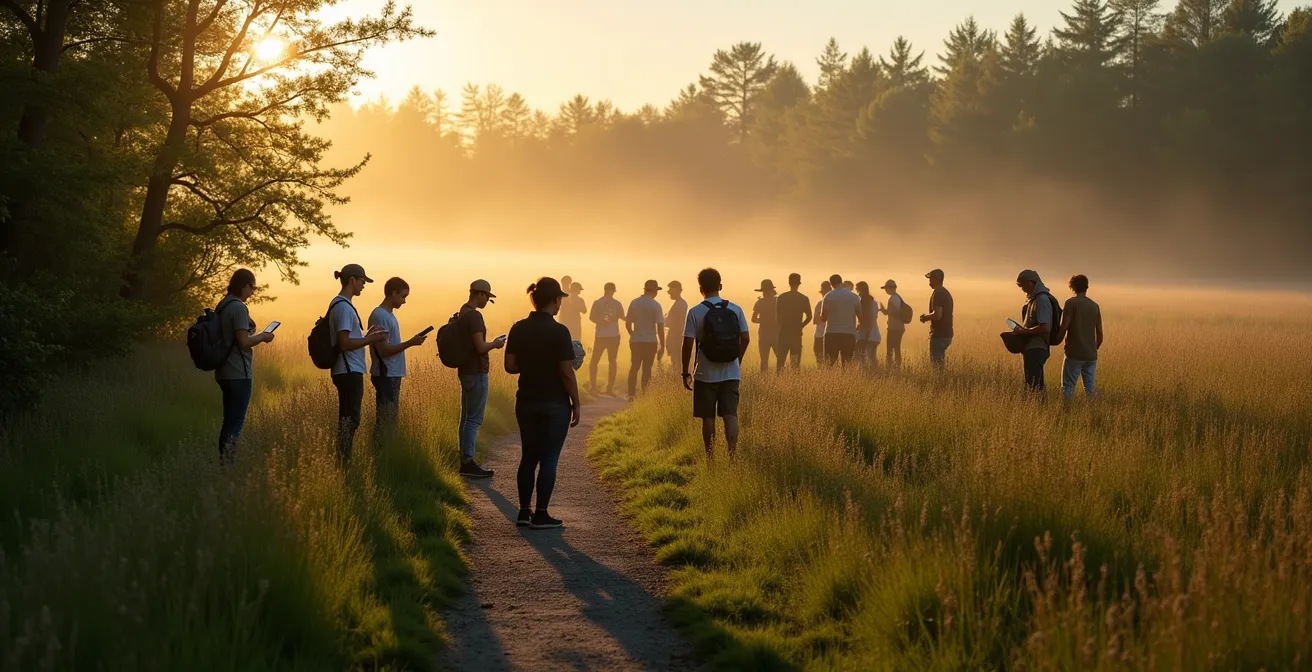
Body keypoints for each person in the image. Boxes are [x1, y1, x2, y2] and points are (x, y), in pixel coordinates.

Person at [505, 278, 582, 529]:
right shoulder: (560, 331)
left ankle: (524, 512)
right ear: (555, 300)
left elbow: (510, 366)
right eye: (560, 299)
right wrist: (577, 403)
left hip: (526, 399)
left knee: (528, 456)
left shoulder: (518, 328)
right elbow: (566, 372)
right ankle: (541, 514)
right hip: (555, 402)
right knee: (549, 458)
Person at [681, 268, 750, 458]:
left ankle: (710, 458)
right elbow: (745, 338)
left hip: (705, 372)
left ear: (700, 288)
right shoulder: (736, 309)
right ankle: (732, 457)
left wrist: (685, 372)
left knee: (708, 417)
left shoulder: (695, 312)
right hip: (731, 372)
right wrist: (737, 359)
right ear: (720, 286)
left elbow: (687, 343)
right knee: (730, 415)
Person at [214, 268, 274, 461]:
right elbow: (243, 341)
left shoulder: (222, 304)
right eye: (251, 287)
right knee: (236, 422)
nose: (252, 292)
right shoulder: (238, 307)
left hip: (224, 370)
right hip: (238, 372)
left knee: (229, 420)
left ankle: (224, 462)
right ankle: (227, 464)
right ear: (243, 285)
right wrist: (264, 336)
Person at [329, 264, 387, 463]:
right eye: (362, 281)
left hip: (347, 369)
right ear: (352, 280)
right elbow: (344, 343)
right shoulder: (344, 307)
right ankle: (343, 463)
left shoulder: (341, 304)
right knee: (349, 419)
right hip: (348, 370)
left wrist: (367, 334)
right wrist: (370, 340)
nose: (364, 285)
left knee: (349, 418)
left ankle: (343, 461)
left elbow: (348, 337)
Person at [368, 277, 428, 440]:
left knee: (389, 420)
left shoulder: (387, 315)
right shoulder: (381, 316)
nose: (404, 301)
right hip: (386, 375)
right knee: (385, 421)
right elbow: (384, 350)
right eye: (403, 296)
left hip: (391, 374)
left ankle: (384, 452)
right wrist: (410, 343)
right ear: (393, 293)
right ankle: (381, 454)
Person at [458, 279, 506, 478]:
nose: (487, 301)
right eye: (487, 297)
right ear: (480, 294)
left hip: (465, 371)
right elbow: (479, 347)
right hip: (476, 372)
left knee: (465, 418)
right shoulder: (475, 316)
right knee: (473, 420)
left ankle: (464, 460)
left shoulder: (463, 311)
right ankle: (468, 462)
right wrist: (495, 344)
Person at [1056, 274, 1103, 401]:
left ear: (1072, 287)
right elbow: (1100, 334)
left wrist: (1055, 341)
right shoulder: (1095, 306)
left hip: (1074, 354)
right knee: (1090, 389)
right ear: (1087, 287)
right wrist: (1093, 349)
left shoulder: (1071, 303)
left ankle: (1066, 414)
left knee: (1068, 387)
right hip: (1091, 355)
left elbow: (1063, 327)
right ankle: (1094, 413)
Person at [1010, 269, 1054, 393]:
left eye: (1022, 285)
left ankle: (1039, 408)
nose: (1022, 288)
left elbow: (1045, 327)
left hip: (1037, 348)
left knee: (1034, 387)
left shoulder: (1041, 300)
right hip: (1031, 348)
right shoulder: (1034, 299)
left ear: (1031, 282)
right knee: (1033, 384)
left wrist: (1023, 332)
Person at [625, 280, 665, 401]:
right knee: (647, 369)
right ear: (653, 291)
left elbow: (627, 323)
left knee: (634, 367)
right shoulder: (656, 305)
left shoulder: (634, 303)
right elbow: (660, 327)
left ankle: (631, 393)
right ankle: (645, 394)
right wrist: (663, 346)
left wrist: (633, 334)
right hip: (650, 341)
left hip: (636, 341)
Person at [588, 282, 625, 396]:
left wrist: (600, 321)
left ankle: (594, 387)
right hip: (613, 335)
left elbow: (591, 317)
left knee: (595, 361)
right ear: (612, 290)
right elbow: (623, 317)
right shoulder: (617, 303)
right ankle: (609, 388)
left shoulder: (598, 302)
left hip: (601, 335)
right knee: (611, 361)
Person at [818, 274, 860, 367]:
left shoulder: (828, 296)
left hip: (832, 334)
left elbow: (824, 317)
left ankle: (832, 381)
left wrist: (821, 318)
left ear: (831, 284)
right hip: (849, 334)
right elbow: (861, 316)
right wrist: (856, 328)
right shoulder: (854, 296)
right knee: (848, 363)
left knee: (830, 364)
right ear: (842, 282)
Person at [775, 273, 812, 371]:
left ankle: (779, 382)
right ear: (799, 283)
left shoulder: (781, 297)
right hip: (796, 333)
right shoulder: (804, 298)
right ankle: (794, 382)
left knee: (780, 362)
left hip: (783, 332)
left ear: (789, 283)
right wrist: (801, 326)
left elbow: (777, 317)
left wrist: (782, 325)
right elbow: (809, 316)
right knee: (795, 363)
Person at [920, 269, 954, 368]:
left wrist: (925, 317)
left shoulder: (938, 293)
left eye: (931, 279)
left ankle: (941, 383)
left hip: (939, 335)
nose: (929, 281)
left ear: (937, 279)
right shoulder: (945, 292)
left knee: (937, 367)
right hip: (947, 333)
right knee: (940, 364)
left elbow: (937, 315)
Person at [750, 279, 779, 373]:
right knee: (780, 359)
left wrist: (762, 321)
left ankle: (765, 379)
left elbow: (753, 319)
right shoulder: (777, 302)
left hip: (763, 335)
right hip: (776, 334)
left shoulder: (759, 303)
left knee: (764, 361)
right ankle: (782, 378)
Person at [879, 280, 906, 369]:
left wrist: (885, 311)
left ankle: (890, 367)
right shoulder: (898, 297)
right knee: (896, 348)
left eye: (886, 289)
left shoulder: (893, 298)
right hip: (899, 327)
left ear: (890, 288)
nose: (886, 291)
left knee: (890, 349)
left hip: (894, 328)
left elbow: (894, 313)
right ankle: (896, 367)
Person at [855, 281, 882, 370]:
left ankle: (867, 374)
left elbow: (867, 320)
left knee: (863, 357)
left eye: (857, 289)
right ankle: (874, 374)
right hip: (874, 334)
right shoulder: (873, 302)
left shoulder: (862, 303)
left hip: (867, 335)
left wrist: (865, 334)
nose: (856, 291)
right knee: (871, 358)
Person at [664, 280, 689, 369]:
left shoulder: (680, 304)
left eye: (670, 289)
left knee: (676, 362)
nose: (668, 292)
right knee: (675, 362)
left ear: (677, 290)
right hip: (675, 336)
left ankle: (677, 380)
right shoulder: (679, 303)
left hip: (676, 337)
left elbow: (675, 322)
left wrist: (663, 321)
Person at [813, 280, 831, 366]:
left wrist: (822, 317)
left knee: (820, 360)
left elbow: (815, 320)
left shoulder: (819, 304)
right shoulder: (835, 303)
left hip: (820, 335)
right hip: (829, 335)